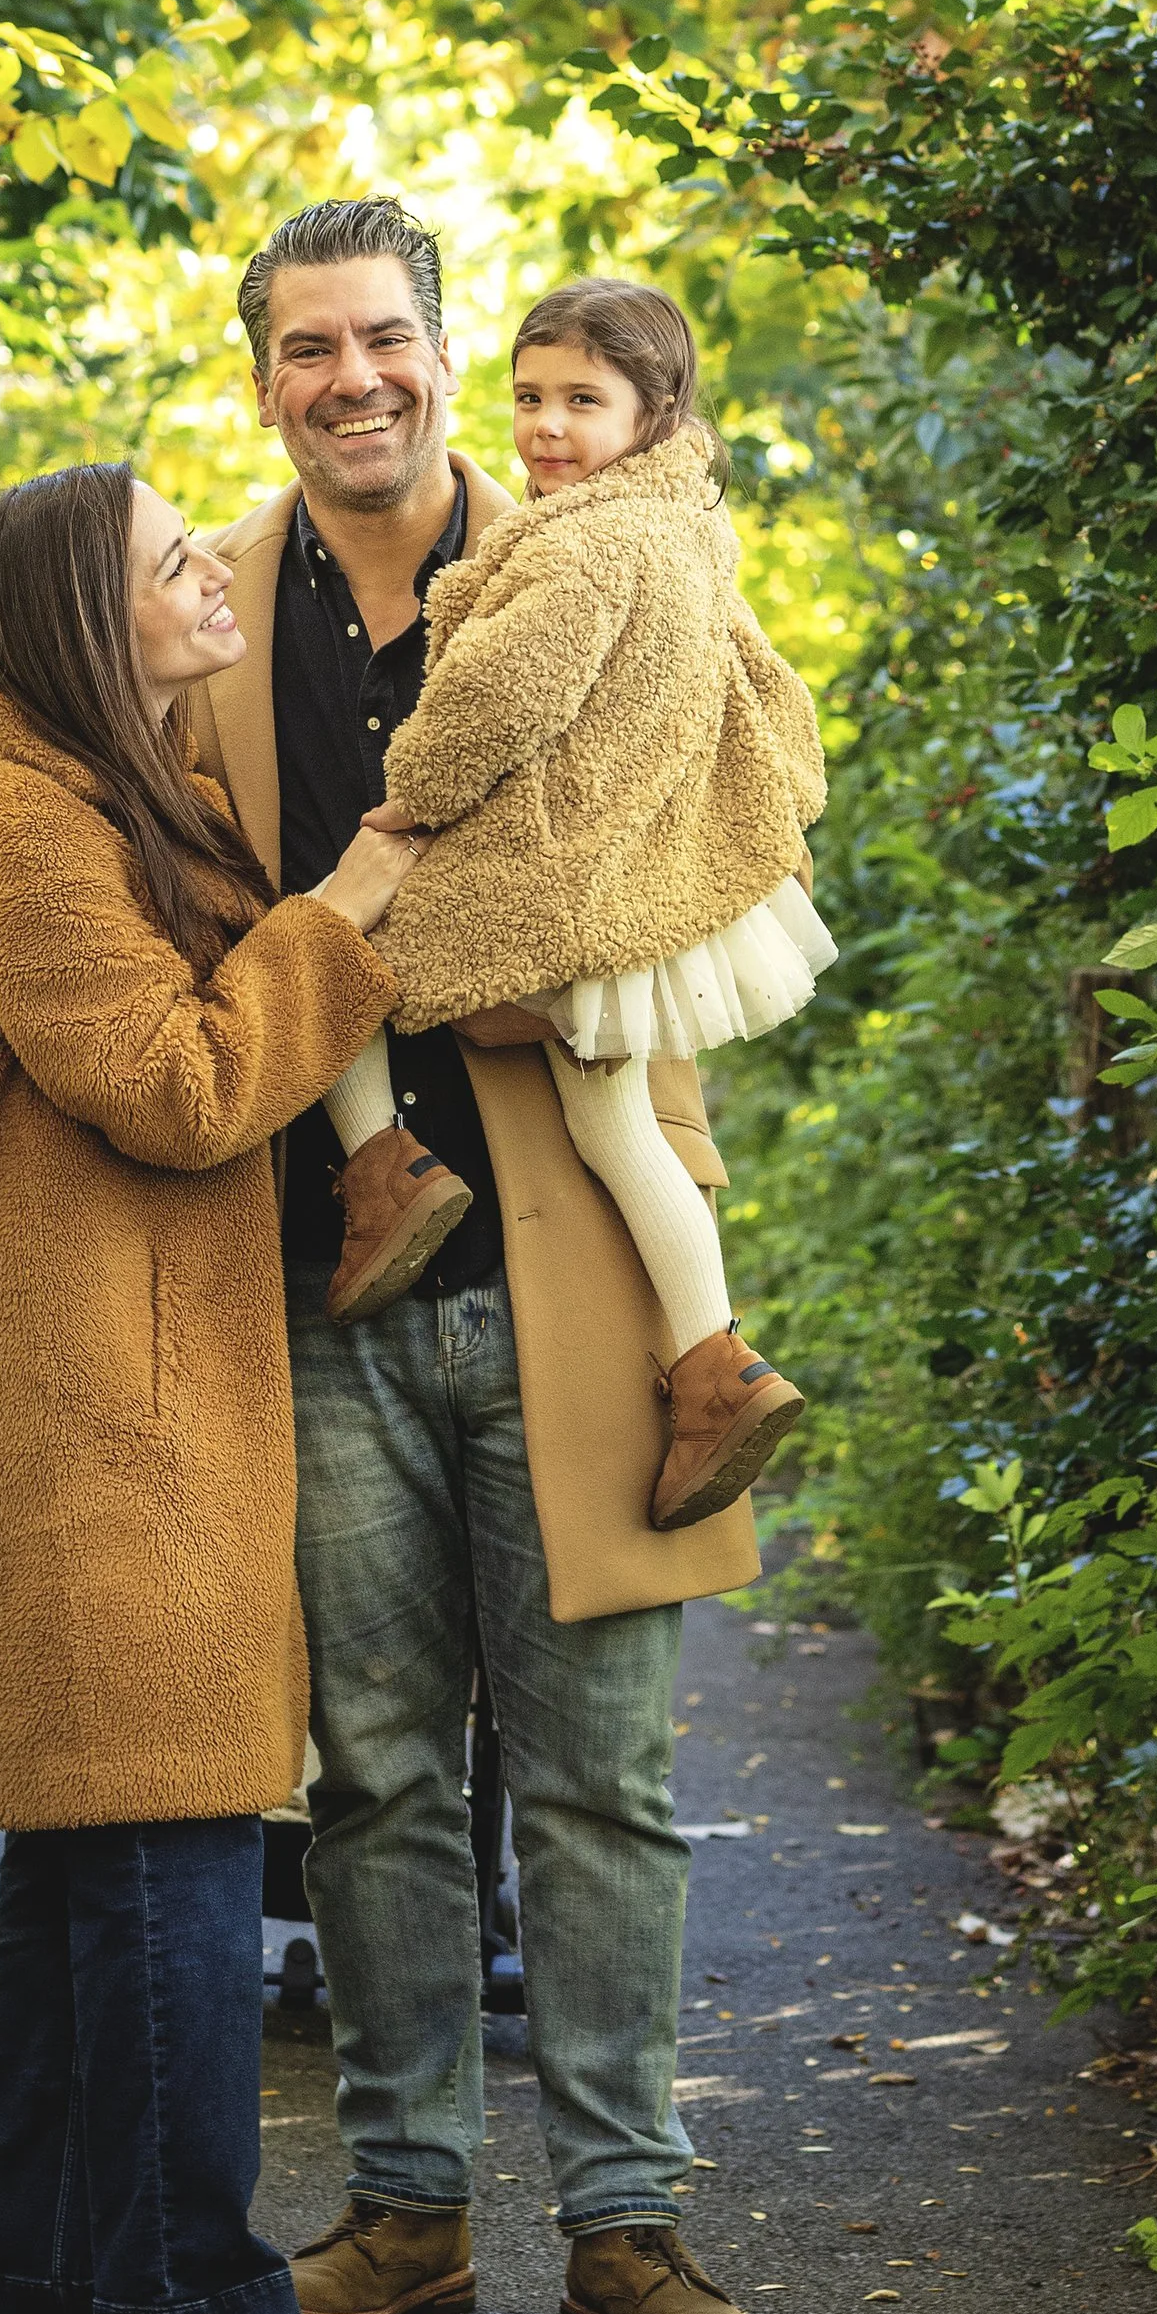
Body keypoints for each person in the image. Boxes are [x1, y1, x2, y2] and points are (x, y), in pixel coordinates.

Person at [0, 206, 773, 2314]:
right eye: (307, 348)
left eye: (386, 338)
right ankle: (401, 2207)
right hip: (317, 1275)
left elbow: (753, 760)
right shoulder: (205, 621)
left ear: (446, 355)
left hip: (578, 1253)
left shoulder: (592, 543)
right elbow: (52, 812)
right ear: (260, 372)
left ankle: (627, 2221)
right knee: (369, 1770)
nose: (350, 378)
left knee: (598, 1772)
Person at [0, 459, 418, 2314]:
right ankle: (192, 2291)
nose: (210, 567)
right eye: (165, 562)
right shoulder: (24, 819)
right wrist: (348, 910)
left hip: (140, 1370)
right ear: (78, 625)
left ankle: (32, 2267)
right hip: (82, 1393)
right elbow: (185, 1088)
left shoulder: (128, 795)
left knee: (94, 1838)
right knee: (175, 1831)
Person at [316, 278, 834, 1532]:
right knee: (619, 1133)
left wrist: (412, 801)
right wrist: (747, 812)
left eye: (582, 403)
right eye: (529, 399)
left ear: (655, 414)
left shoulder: (588, 547)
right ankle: (715, 1361)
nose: (546, 428)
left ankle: (386, 1169)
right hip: (624, 887)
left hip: (550, 884)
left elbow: (503, 691)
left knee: (334, 958)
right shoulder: (689, 533)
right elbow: (771, 700)